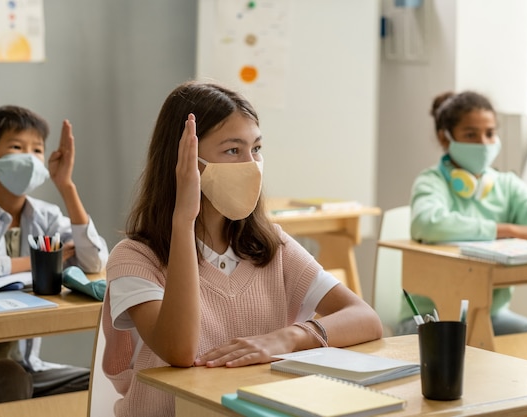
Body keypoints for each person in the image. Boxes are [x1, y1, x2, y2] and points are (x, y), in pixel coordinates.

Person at [102, 81, 383, 417]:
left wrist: (287, 339)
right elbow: (179, 350)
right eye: (233, 150)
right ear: (184, 159)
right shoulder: (134, 257)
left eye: (257, 149)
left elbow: (366, 318)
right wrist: (183, 221)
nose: (251, 164)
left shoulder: (270, 246)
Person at [0, 105, 109, 403]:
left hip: (29, 366)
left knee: (100, 383)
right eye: (17, 147)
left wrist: (67, 187)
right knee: (10, 376)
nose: (31, 157)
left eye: (37, 149)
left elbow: (94, 261)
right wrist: (38, 263)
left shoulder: (45, 216)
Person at [396, 88, 527, 336]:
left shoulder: (506, 185)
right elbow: (426, 223)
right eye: (471, 134)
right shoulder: (431, 181)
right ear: (446, 139)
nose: (483, 143)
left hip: (489, 315)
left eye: (490, 134)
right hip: (429, 318)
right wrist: (506, 229)